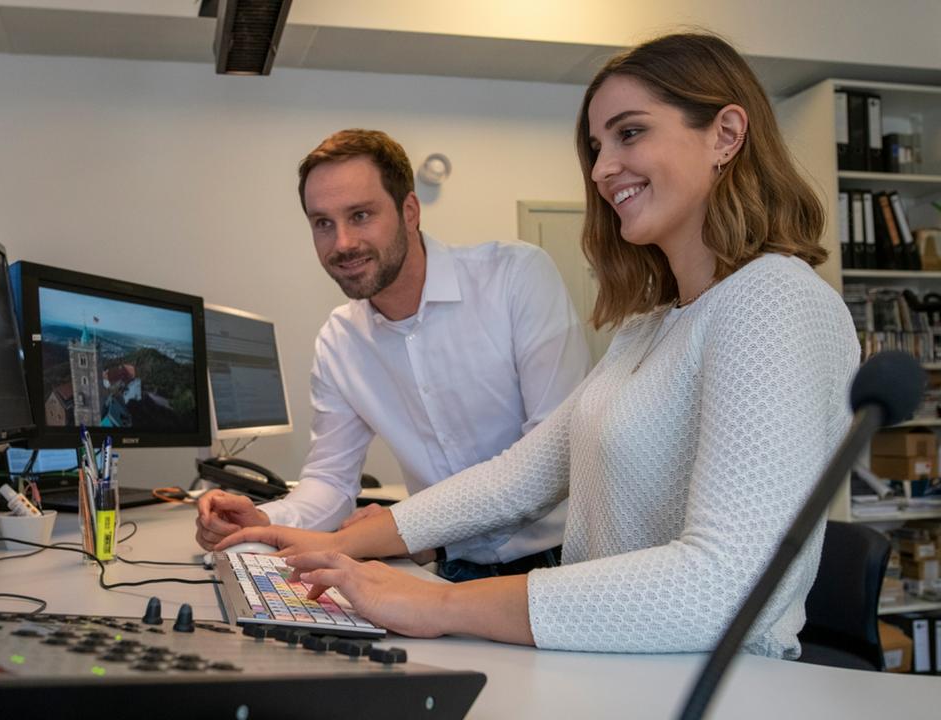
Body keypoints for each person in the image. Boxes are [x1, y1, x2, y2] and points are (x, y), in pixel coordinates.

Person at [217, 32, 860, 658]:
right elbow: (514, 480)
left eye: (630, 133)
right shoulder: (650, 329)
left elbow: (728, 586)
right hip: (619, 664)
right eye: (596, 146)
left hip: (717, 688)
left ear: (726, 133)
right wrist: (308, 543)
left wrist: (435, 605)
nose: (604, 169)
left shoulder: (776, 298)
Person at [195, 129, 591, 580]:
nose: (342, 243)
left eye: (360, 215)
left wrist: (400, 526)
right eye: (322, 223)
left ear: (409, 211)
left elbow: (550, 462)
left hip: (562, 565)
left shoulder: (515, 278)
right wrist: (271, 522)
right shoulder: (339, 341)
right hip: (449, 570)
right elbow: (329, 480)